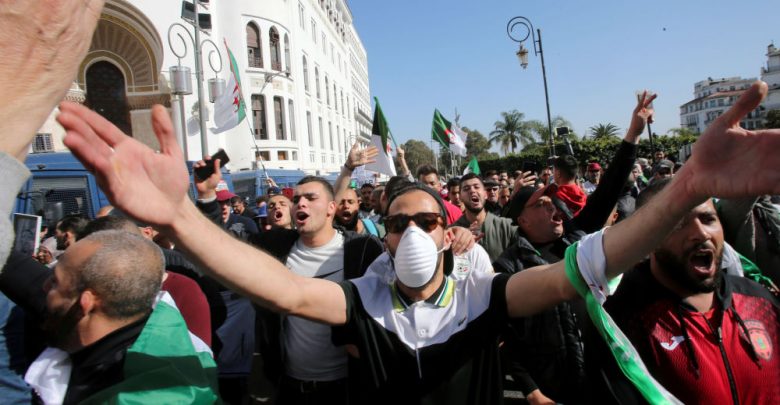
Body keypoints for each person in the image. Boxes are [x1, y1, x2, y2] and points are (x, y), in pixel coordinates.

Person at [58, 80, 780, 404]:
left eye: (425, 221)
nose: (410, 232)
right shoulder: (358, 299)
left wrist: (686, 189)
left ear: (448, 230)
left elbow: (585, 266)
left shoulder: (486, 293)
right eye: (397, 221)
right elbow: (280, 288)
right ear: (381, 233)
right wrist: (183, 218)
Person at [494, 91, 655, 404]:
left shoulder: (577, 241)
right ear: (522, 220)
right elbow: (506, 338)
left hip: (601, 381)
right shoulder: (509, 267)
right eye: (541, 204)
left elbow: (608, 191)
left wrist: (633, 134)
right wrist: (532, 392)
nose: (553, 206)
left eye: (552, 201)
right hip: (551, 391)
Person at [589, 178, 780, 404]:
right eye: (679, 223)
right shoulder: (621, 324)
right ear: (647, 237)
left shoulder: (760, 301)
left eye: (708, 219)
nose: (701, 233)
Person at [1, 231, 218, 404]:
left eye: (55, 282)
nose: (44, 286)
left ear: (85, 302)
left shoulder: (146, 397)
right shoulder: (138, 321)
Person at [453, 173, 518, 262]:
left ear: (485, 194)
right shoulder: (452, 232)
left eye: (476, 187)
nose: (472, 191)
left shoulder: (507, 226)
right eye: (466, 189)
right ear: (460, 197)